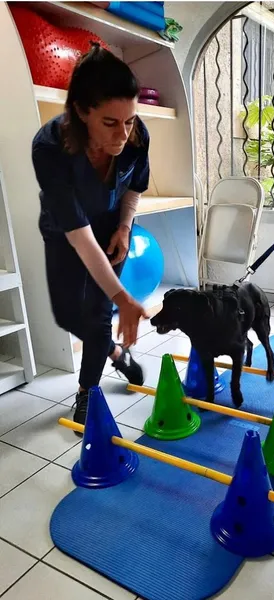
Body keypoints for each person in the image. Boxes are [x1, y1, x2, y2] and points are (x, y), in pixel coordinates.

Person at [32, 44, 150, 427]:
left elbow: (134, 187)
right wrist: (125, 298)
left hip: (110, 228)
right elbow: (80, 238)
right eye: (110, 123)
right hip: (66, 231)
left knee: (98, 315)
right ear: (82, 112)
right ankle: (115, 354)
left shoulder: (136, 135)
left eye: (129, 120)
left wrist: (124, 228)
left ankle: (88, 391)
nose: (123, 132)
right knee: (67, 315)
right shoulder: (49, 148)